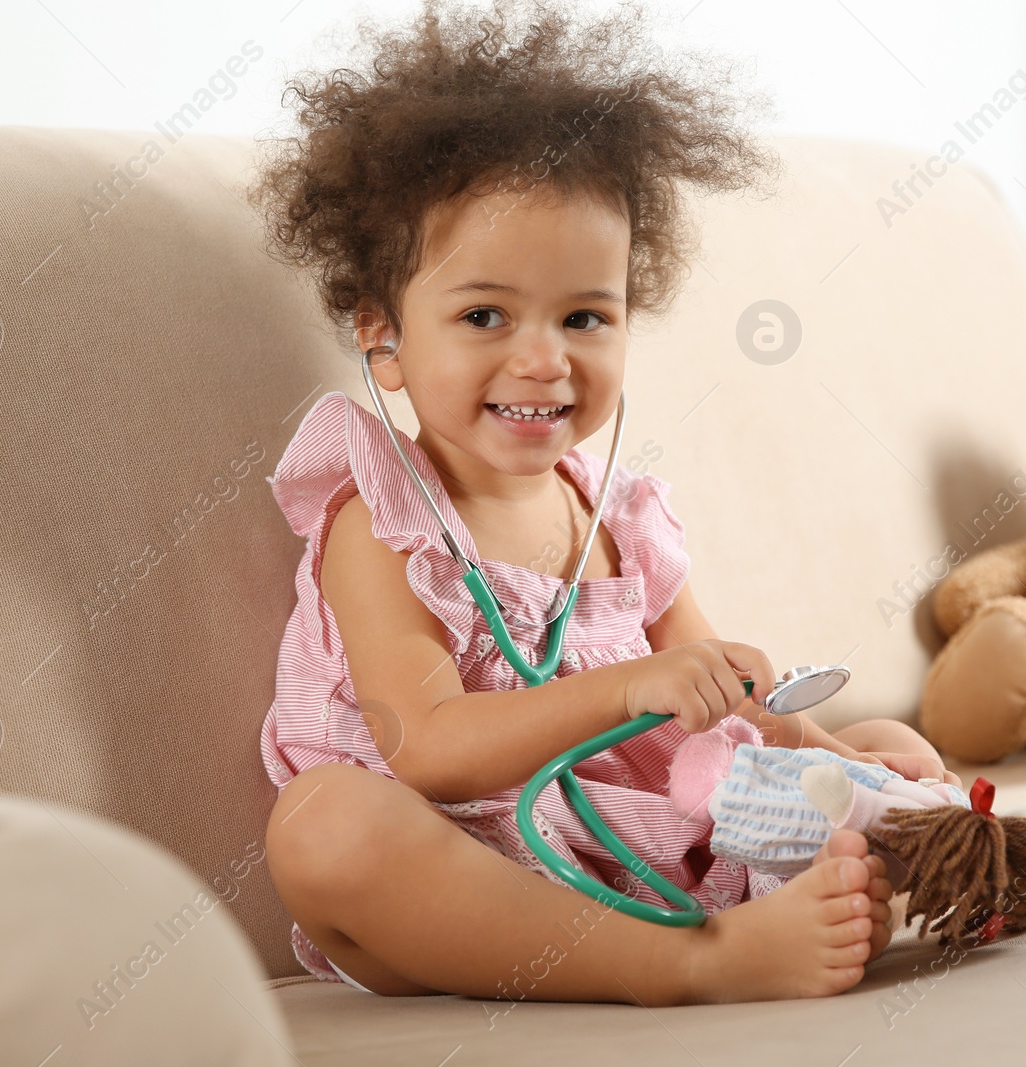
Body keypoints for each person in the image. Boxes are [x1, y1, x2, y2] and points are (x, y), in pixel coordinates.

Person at [247, 0, 960, 1006]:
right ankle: (691, 963)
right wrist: (630, 688)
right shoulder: (387, 523)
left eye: (586, 315)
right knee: (323, 826)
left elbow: (737, 710)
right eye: (484, 314)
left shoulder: (619, 518)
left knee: (894, 748)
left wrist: (884, 786)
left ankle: (885, 880)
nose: (544, 357)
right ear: (383, 338)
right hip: (475, 877)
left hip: (656, 835)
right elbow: (431, 747)